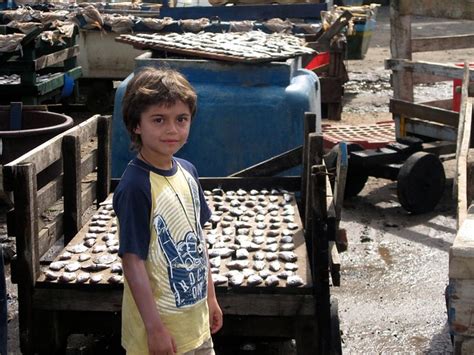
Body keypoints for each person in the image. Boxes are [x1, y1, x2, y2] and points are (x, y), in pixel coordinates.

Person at [113, 67, 223, 355]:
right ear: (137, 124)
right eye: (159, 120)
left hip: (195, 325)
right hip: (160, 335)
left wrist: (210, 297)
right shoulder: (136, 186)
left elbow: (199, 242)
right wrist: (154, 328)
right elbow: (132, 261)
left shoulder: (188, 172)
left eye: (181, 119)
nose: (172, 129)